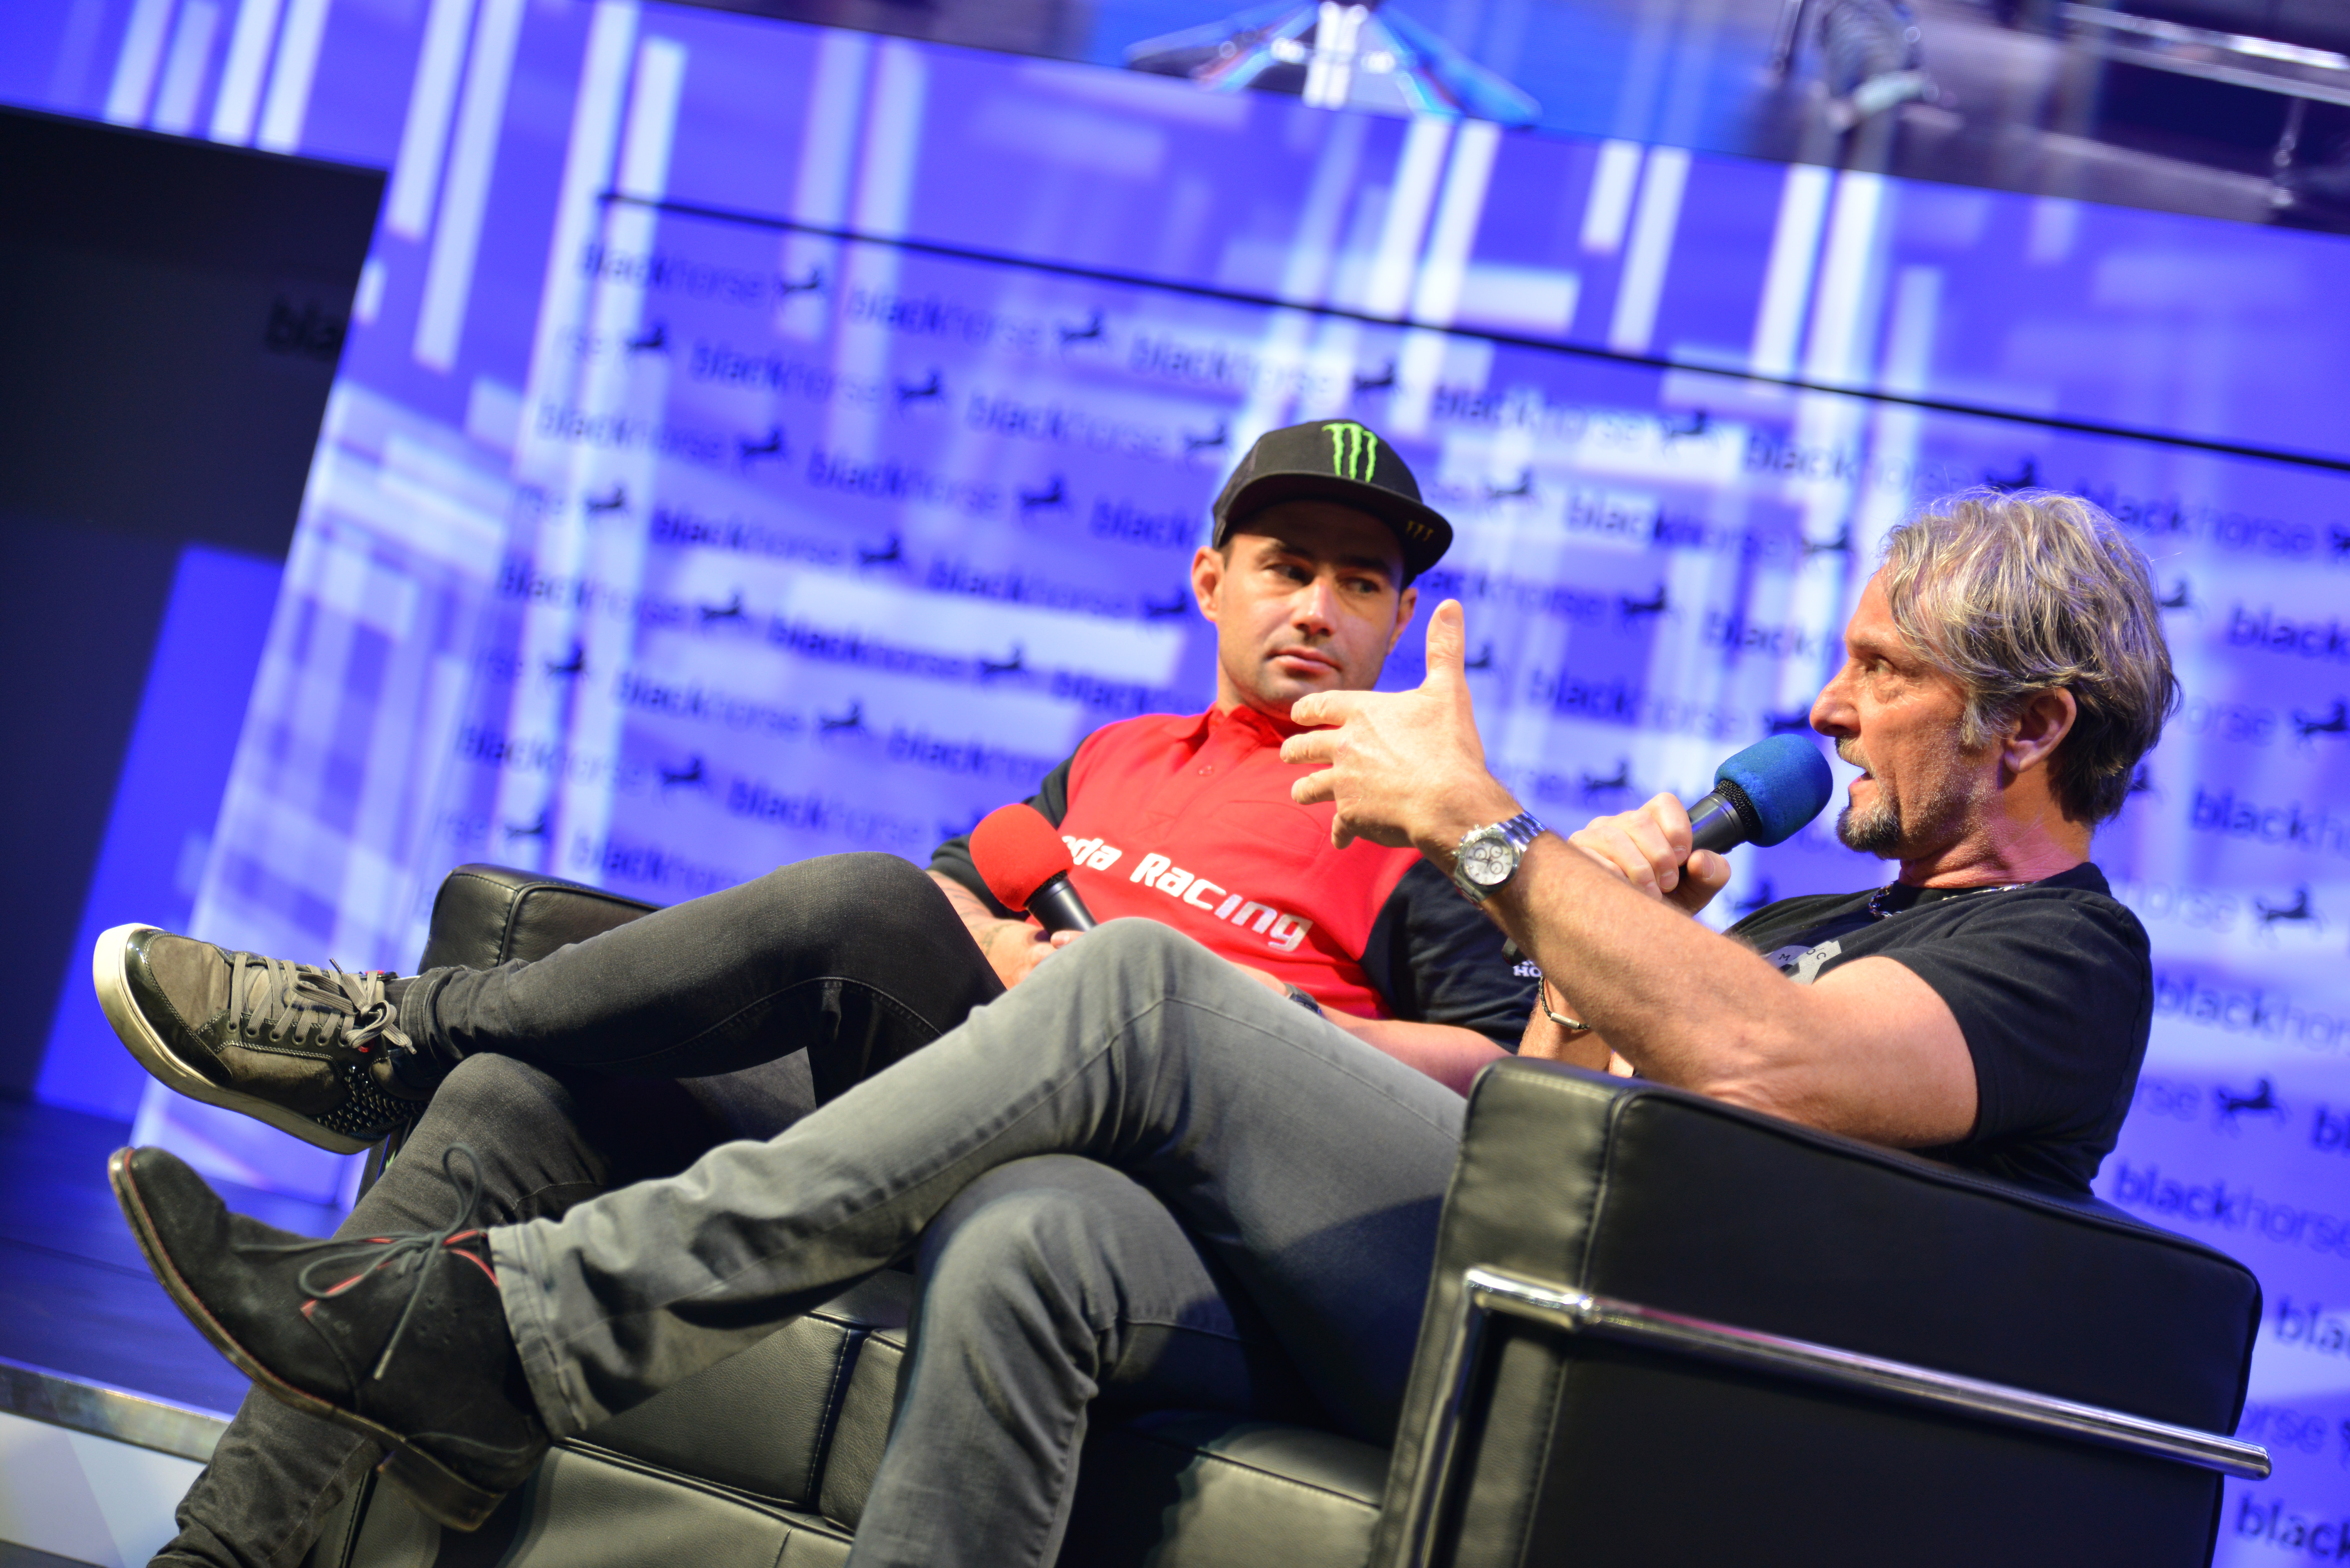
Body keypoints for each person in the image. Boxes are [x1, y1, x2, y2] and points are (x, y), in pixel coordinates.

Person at [112, 488, 2175, 1567]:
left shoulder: (2067, 959)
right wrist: (1595, 952)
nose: (1827, 707)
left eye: (1881, 673)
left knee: (1135, 988)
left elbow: (1783, 1076)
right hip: (1490, 1275)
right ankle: (416, 1223)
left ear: (2030, 727)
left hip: (1607, 1392)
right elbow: (1583, 1114)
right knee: (1044, 1239)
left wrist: (1492, 840)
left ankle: (520, 1320)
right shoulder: (1807, 915)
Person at [104, 418, 1534, 1568]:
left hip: (1166, 1172)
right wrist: (1003, 950)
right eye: (1289, 566)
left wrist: (1250, 1016)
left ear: (1403, 616)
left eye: (1361, 584)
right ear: (1213, 579)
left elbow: (1490, 1074)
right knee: (518, 1094)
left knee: (879, 918)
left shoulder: (1419, 826)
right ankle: (225, 1548)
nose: (1320, 608)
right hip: (969, 1084)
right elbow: (957, 888)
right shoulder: (1117, 755)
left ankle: (387, 1034)